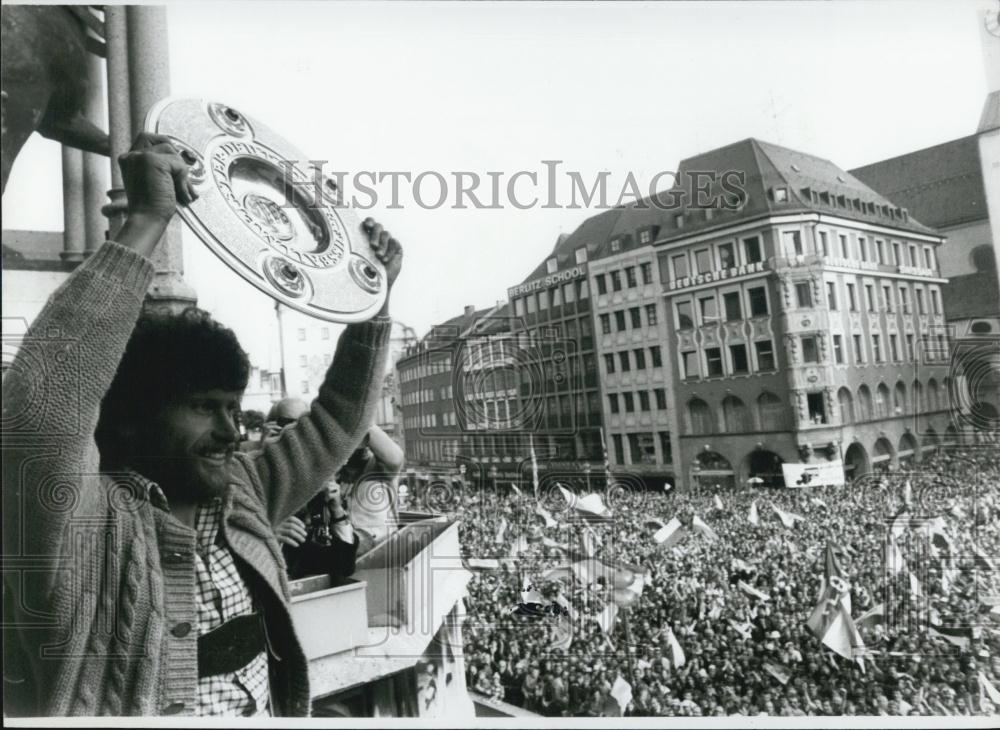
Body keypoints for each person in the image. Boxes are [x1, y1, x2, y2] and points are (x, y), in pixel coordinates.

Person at [1, 133, 403, 716]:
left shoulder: (245, 493)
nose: (231, 430)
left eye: (234, 408)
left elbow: (338, 420)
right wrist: (143, 224)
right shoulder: (77, 521)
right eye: (203, 406)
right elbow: (41, 412)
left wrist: (375, 303)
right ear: (135, 417)